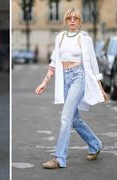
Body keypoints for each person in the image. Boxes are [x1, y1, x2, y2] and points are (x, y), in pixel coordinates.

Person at [35, 8, 108, 169]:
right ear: (66, 20)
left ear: (80, 21)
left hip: (79, 77)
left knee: (66, 117)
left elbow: (93, 64)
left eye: (75, 18)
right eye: (69, 18)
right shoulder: (60, 37)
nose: (72, 20)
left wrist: (100, 87)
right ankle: (95, 144)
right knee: (74, 118)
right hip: (65, 78)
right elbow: (55, 61)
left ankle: (59, 158)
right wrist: (44, 82)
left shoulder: (84, 38)